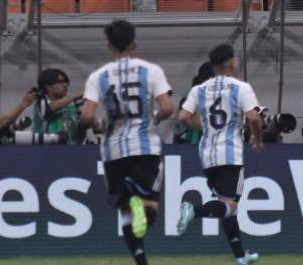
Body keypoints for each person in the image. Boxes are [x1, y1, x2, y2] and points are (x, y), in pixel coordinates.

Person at [80, 20, 175, 265]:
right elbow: (167, 108)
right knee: (149, 206)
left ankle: (141, 261)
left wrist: (100, 125)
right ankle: (142, 208)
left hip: (113, 150)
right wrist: (152, 118)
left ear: (108, 45)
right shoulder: (151, 70)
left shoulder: (97, 76)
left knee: (125, 211)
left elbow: (87, 116)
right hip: (144, 145)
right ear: (135, 43)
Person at [175, 44, 263, 265]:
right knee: (229, 206)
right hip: (230, 154)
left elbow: (183, 116)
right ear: (232, 62)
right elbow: (253, 117)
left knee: (226, 207)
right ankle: (193, 211)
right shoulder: (240, 87)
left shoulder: (199, 89)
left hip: (207, 155)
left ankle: (240, 257)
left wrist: (202, 128)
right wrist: (257, 138)